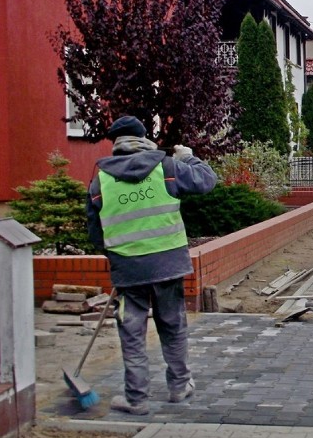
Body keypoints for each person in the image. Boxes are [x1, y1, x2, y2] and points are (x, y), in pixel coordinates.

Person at [86, 115, 217, 415]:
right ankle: (179, 386)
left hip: (128, 271)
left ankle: (136, 399)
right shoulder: (166, 168)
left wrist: (121, 254)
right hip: (168, 265)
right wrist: (190, 158)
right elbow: (207, 181)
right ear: (144, 137)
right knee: (172, 326)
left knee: (131, 332)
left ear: (116, 144)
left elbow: (96, 235)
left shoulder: (100, 181)